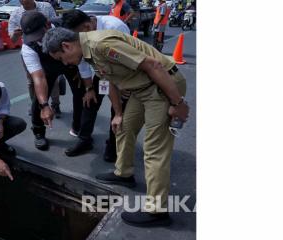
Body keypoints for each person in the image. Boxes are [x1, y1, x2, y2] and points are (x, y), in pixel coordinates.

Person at [41, 28, 189, 227]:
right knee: (124, 128)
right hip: (141, 89)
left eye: (62, 57)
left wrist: (178, 103)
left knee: (154, 150)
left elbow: (153, 65)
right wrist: (118, 113)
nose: (65, 63)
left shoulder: (102, 45)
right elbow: (107, 81)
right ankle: (124, 173)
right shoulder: (89, 53)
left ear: (66, 46)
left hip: (161, 87)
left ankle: (157, 211)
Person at [60, 9, 130, 160]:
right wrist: (89, 88)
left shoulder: (114, 27)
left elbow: (128, 59)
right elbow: (83, 62)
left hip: (121, 75)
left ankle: (113, 146)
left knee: (117, 109)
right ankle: (84, 140)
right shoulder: (81, 34)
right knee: (90, 102)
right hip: (102, 74)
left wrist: (123, 85)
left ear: (86, 27)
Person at [20, 11, 86, 151]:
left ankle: (77, 125)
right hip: (47, 69)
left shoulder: (66, 26)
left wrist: (82, 69)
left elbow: (82, 47)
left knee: (80, 93)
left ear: (47, 25)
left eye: (39, 34)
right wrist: (45, 105)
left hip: (71, 63)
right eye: (33, 36)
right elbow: (38, 77)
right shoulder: (28, 47)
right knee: (39, 100)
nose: (37, 39)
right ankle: (38, 132)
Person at [8, 0, 63, 117]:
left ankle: (55, 104)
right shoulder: (15, 14)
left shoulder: (46, 7)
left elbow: (56, 26)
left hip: (49, 47)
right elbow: (12, 40)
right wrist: (16, 35)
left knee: (52, 78)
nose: (23, 1)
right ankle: (36, 104)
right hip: (30, 49)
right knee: (32, 80)